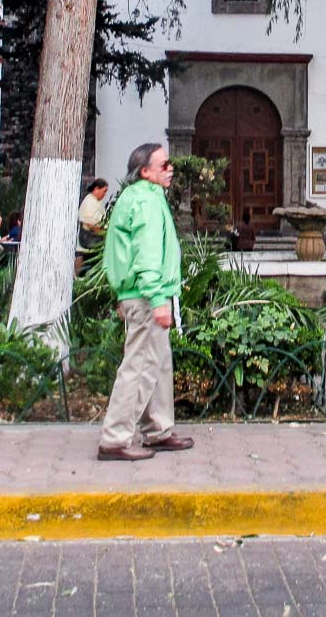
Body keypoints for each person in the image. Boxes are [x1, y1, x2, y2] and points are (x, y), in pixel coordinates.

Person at [97, 143, 193, 461]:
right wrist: (157, 299)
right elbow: (148, 252)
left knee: (160, 363)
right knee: (139, 366)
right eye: (164, 165)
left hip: (143, 292)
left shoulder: (144, 198)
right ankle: (115, 438)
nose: (171, 169)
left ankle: (158, 430)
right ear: (145, 172)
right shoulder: (145, 201)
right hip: (146, 295)